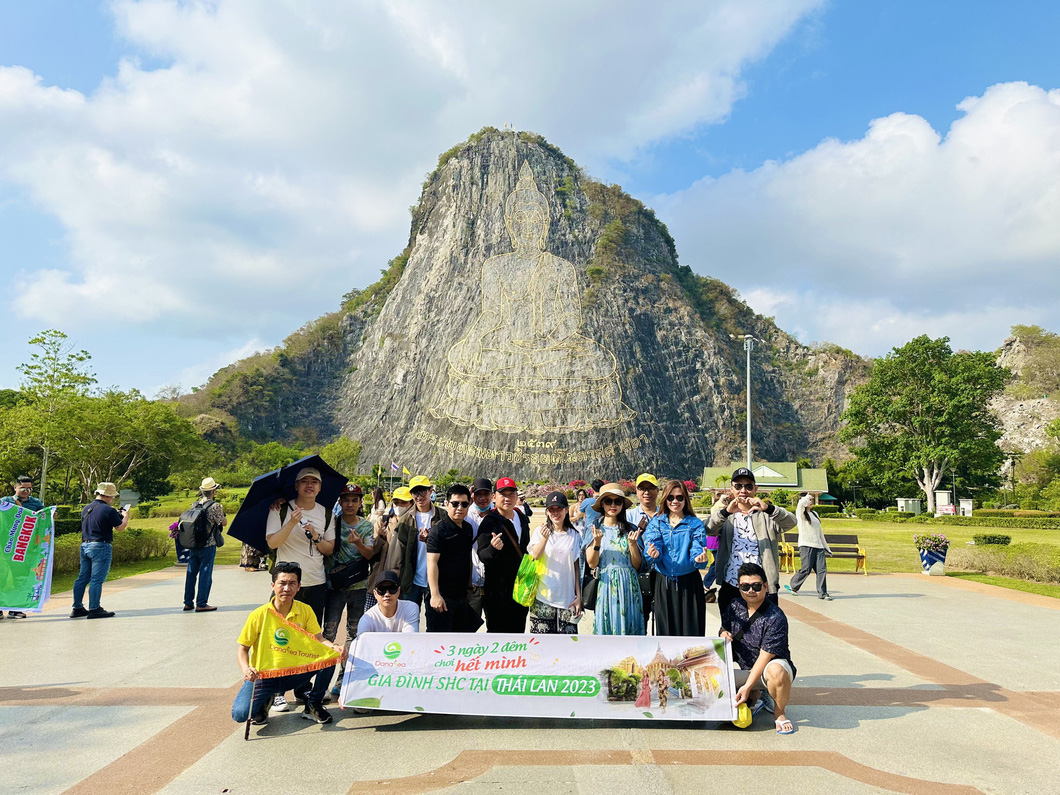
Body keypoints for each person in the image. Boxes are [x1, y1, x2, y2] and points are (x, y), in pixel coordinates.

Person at [231, 562, 346, 726]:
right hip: (265, 675)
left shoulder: (305, 610)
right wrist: (246, 670)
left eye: (292, 583)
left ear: (299, 587)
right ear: (273, 585)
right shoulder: (258, 615)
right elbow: (243, 649)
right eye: (282, 583)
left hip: (295, 672)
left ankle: (313, 704)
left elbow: (319, 639)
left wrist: (335, 648)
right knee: (241, 714)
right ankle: (266, 699)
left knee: (330, 658)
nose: (287, 588)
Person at [707, 468, 796, 616]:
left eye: (748, 486)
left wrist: (768, 509)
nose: (743, 490)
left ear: (755, 489)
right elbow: (708, 529)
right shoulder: (727, 516)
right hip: (732, 584)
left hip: (762, 586)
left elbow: (791, 522)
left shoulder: (766, 516)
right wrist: (726, 512)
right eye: (738, 486)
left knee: (765, 633)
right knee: (731, 633)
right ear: (732, 489)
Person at [721, 562, 797, 735]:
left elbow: (765, 656)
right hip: (745, 669)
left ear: (765, 586)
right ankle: (755, 697)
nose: (750, 591)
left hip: (769, 669)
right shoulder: (734, 606)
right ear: (739, 587)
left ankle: (780, 714)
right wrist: (724, 633)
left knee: (776, 670)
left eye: (756, 586)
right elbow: (724, 628)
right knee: (710, 676)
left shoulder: (775, 616)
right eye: (745, 586)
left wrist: (747, 686)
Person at [322, 484, 376, 699]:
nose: (350, 504)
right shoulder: (331, 524)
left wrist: (359, 544)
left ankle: (343, 678)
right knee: (328, 632)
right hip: (334, 586)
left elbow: (370, 554)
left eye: (355, 500)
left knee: (354, 634)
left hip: (358, 586)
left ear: (360, 503)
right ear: (340, 502)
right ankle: (321, 681)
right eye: (346, 500)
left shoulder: (366, 527)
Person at [265, 468, 335, 623]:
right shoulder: (279, 509)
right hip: (285, 583)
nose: (309, 485)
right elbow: (272, 542)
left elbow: (329, 549)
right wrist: (291, 523)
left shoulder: (327, 514)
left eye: (314, 482)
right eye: (304, 481)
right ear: (296, 486)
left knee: (311, 634)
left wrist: (316, 536)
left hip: (315, 581)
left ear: (320, 487)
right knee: (279, 631)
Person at [642, 479, 711, 636]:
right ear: (665, 499)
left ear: (685, 499)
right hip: (664, 583)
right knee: (666, 632)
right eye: (671, 497)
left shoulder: (695, 523)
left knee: (691, 631)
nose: (675, 501)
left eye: (679, 497)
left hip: (690, 583)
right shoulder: (657, 522)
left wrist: (698, 558)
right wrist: (654, 554)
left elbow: (697, 547)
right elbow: (653, 544)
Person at [586, 483, 645, 635]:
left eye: (617, 501)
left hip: (628, 585)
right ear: (602, 505)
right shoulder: (594, 528)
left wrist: (632, 544)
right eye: (608, 501)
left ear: (622, 505)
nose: (613, 505)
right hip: (606, 585)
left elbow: (637, 565)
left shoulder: (630, 529)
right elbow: (592, 564)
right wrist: (597, 543)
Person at [476, 476, 530, 632]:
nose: (507, 498)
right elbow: (482, 555)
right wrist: (493, 548)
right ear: (494, 497)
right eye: (503, 494)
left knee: (518, 632)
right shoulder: (489, 522)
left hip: (520, 589)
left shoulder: (521, 517)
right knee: (497, 636)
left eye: (511, 494)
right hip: (497, 593)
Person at [70, 483, 130, 619]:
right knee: (96, 579)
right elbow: (120, 527)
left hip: (85, 545)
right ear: (108, 496)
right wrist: (125, 516)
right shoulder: (109, 510)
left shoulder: (86, 508)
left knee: (82, 578)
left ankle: (77, 607)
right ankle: (94, 608)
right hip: (101, 546)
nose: (112, 499)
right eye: (112, 497)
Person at [526, 491, 582, 634]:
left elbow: (576, 567)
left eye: (559, 509)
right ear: (547, 512)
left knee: (568, 646)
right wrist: (544, 539)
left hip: (567, 598)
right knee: (541, 646)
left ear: (566, 510)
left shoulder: (574, 535)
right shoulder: (540, 531)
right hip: (543, 597)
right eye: (552, 509)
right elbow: (535, 556)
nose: (555, 513)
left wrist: (578, 596)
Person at [426, 484, 479, 632]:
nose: (459, 508)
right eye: (455, 504)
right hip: (442, 598)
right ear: (447, 504)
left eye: (464, 504)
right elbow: (431, 562)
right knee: (439, 645)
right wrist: (435, 595)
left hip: (462, 597)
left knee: (461, 643)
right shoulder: (438, 531)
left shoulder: (468, 529)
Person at [392, 475, 446, 607]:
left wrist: (431, 541)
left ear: (431, 491)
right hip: (412, 580)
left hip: (437, 580)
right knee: (409, 623)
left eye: (423, 491)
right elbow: (399, 554)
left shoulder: (443, 516)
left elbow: (450, 546)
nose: (419, 496)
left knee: (435, 624)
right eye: (415, 492)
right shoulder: (405, 520)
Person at [1, 476, 44, 619]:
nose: (27, 491)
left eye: (29, 488)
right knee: (3, 577)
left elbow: (44, 517)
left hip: (24, 548)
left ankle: (15, 609)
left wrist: (51, 515)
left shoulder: (36, 503)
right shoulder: (5, 502)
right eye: (23, 488)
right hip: (5, 546)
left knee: (20, 578)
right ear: (15, 488)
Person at [183, 477, 226, 613]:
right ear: (213, 491)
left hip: (194, 543)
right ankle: (201, 603)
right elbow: (223, 522)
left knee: (191, 573)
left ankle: (188, 602)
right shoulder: (215, 506)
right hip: (208, 544)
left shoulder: (195, 504)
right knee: (205, 574)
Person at [366, 486, 413, 612]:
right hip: (378, 578)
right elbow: (372, 550)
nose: (399, 506)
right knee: (372, 617)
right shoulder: (383, 521)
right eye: (396, 502)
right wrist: (380, 536)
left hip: (400, 583)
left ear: (411, 503)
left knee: (398, 619)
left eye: (404, 502)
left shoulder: (413, 523)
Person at [625, 473, 660, 627]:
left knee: (663, 623)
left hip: (661, 574)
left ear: (657, 490)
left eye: (651, 488)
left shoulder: (666, 515)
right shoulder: (628, 516)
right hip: (637, 576)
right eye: (642, 488)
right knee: (640, 622)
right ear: (637, 491)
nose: (647, 492)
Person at [785, 493, 833, 600]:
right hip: (806, 545)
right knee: (806, 569)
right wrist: (807, 496)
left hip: (818, 546)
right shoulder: (801, 515)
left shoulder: (815, 514)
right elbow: (800, 504)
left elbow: (820, 533)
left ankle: (823, 593)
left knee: (822, 570)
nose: (810, 502)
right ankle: (794, 585)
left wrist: (827, 548)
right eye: (809, 500)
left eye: (811, 500)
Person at [356, 570, 421, 633]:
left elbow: (409, 640)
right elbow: (361, 642)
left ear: (398, 591)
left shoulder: (410, 609)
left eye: (392, 588)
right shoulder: (367, 619)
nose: (387, 594)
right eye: (382, 589)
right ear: (375, 593)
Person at [465, 478, 493, 619]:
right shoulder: (465, 515)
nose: (482, 498)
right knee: (467, 630)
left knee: (495, 629)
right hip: (472, 584)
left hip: (493, 586)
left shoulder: (498, 515)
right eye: (478, 494)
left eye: (486, 494)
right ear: (472, 495)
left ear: (492, 495)